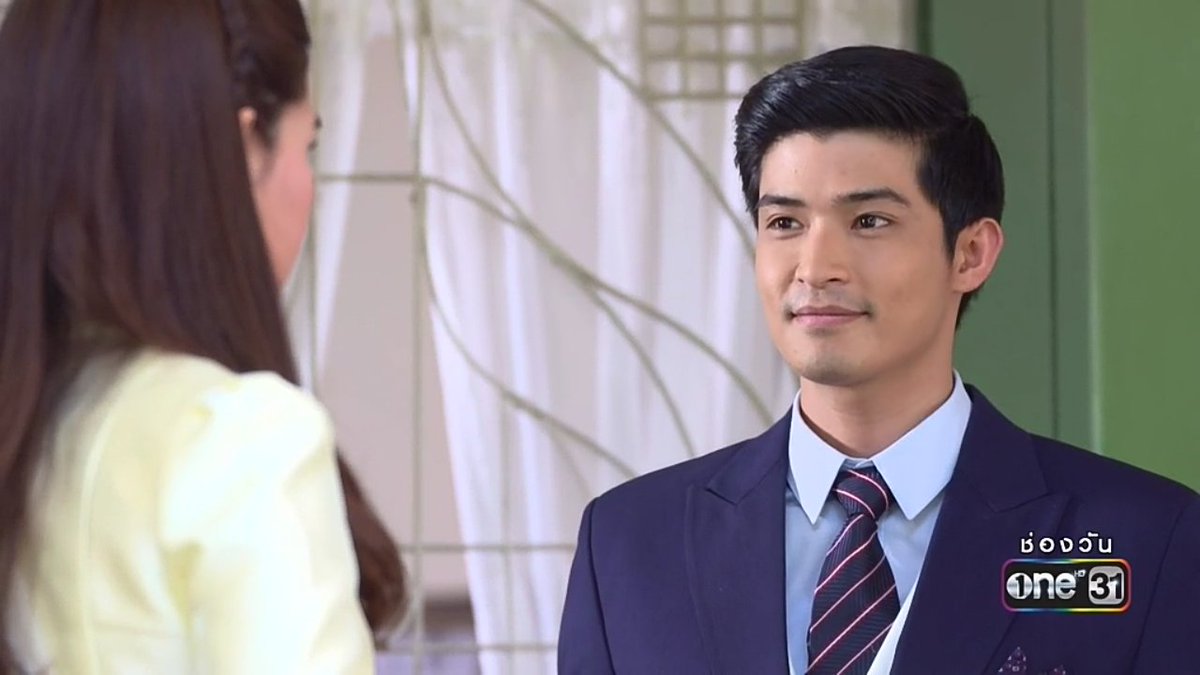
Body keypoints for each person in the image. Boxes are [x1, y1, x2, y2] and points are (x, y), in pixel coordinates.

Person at [559, 46, 1200, 674]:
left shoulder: (1145, 539)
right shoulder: (628, 544)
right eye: (784, 223)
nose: (815, 269)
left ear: (970, 253)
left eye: (868, 221)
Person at [0, 0, 405, 671]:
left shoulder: (32, 431)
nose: (308, 182)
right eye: (307, 146)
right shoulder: (238, 439)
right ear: (245, 148)